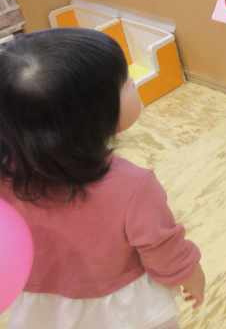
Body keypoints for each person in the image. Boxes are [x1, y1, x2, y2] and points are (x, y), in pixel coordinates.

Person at [0, 28, 205, 329]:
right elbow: (162, 249)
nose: (133, 83)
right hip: (125, 311)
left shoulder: (6, 175)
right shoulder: (134, 187)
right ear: (92, 118)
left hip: (41, 308)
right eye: (124, 83)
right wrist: (190, 274)